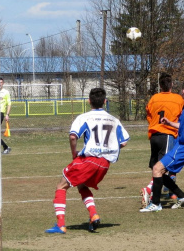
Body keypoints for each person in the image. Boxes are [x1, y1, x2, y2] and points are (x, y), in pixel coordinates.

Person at [45, 88, 130, 234]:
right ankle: (93, 215)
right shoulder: (114, 120)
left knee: (61, 186)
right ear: (105, 101)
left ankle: (60, 225)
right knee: (81, 186)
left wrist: (74, 154)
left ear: (89, 101)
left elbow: (73, 137)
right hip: (104, 164)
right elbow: (123, 142)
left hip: (89, 160)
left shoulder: (84, 117)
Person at [140, 80, 184, 212]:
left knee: (157, 169)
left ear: (183, 91)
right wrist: (169, 123)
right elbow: (183, 126)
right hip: (178, 145)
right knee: (159, 171)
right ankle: (182, 196)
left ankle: (156, 204)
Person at [141, 73, 184, 208]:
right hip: (167, 135)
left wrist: (154, 123)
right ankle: (149, 191)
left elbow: (148, 114)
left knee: (156, 167)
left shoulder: (154, 98)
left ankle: (174, 193)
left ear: (160, 86)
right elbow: (182, 116)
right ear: (171, 85)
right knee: (162, 168)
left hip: (154, 135)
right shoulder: (178, 99)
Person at [0, 77, 12, 154]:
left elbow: (9, 104)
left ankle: (6, 147)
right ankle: (6, 147)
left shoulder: (6, 92)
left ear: (3, 83)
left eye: (1, 82)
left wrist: (7, 114)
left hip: (0, 113)